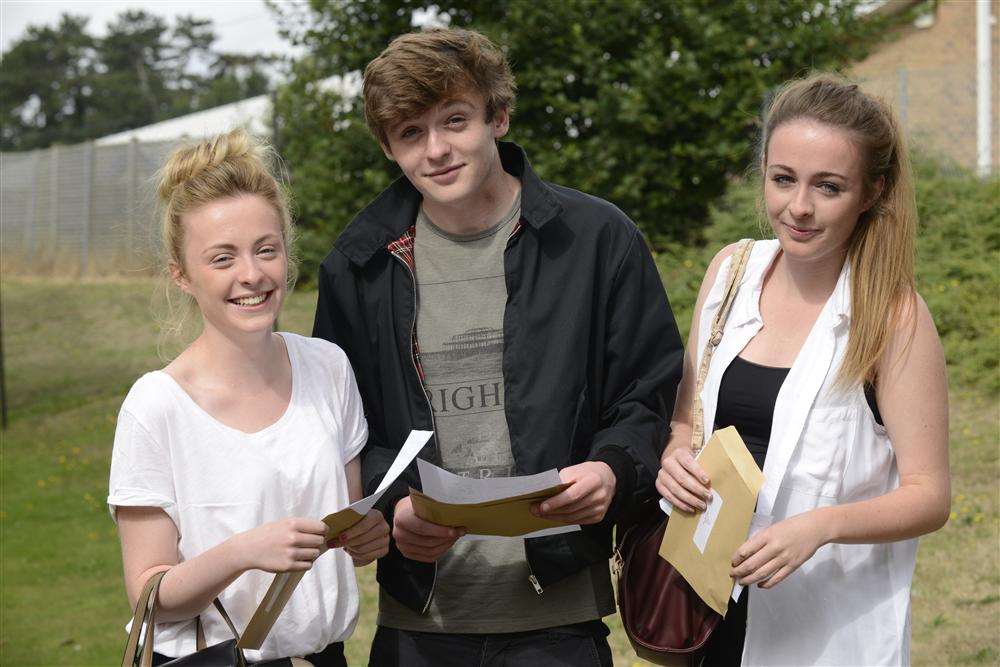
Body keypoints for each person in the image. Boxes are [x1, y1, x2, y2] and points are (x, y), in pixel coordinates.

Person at [312, 27, 684, 667]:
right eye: (410, 133)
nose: (436, 150)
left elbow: (648, 395)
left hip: (559, 619)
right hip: (418, 623)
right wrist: (395, 506)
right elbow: (342, 429)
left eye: (455, 120)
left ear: (498, 117)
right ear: (387, 146)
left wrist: (613, 470)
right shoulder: (358, 264)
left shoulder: (597, 240)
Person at [656, 73, 950, 666]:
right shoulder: (729, 272)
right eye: (783, 179)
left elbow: (930, 495)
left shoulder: (893, 317)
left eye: (829, 186)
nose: (800, 208)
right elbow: (688, 418)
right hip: (705, 603)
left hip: (824, 624)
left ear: (872, 192)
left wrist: (819, 526)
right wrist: (672, 460)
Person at [107, 129, 390, 665]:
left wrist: (369, 537)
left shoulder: (327, 367)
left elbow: (349, 533)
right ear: (182, 276)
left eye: (267, 250)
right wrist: (243, 552)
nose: (251, 275)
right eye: (222, 258)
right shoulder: (156, 407)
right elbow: (150, 595)